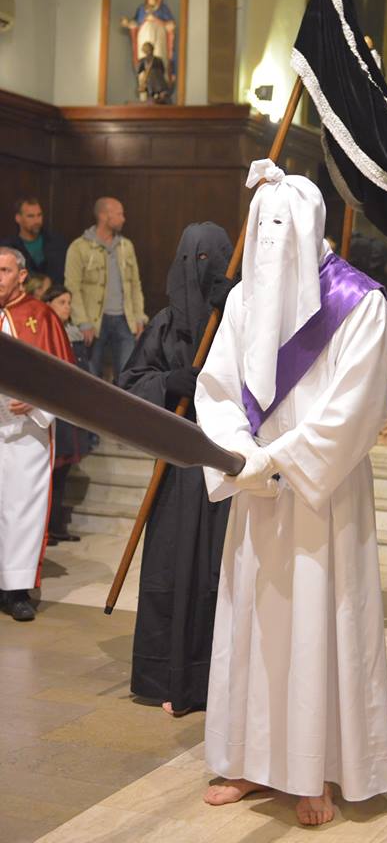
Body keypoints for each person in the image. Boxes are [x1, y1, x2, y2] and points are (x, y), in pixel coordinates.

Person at [195, 160, 387, 826]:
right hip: (257, 493)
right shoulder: (242, 302)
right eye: (260, 228)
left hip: (320, 496)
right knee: (253, 627)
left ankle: (317, 772)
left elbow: (353, 411)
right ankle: (250, 761)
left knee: (318, 628)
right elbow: (217, 390)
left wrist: (276, 461)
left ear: (310, 228)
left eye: (280, 228)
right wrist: (238, 454)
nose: (269, 242)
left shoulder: (360, 304)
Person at [118, 223, 233, 716]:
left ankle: (216, 680)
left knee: (219, 573)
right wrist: (169, 382)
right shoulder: (165, 325)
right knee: (171, 569)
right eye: (191, 260)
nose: (198, 271)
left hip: (229, 465)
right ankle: (164, 675)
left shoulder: (242, 317)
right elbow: (130, 384)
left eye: (210, 259)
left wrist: (237, 310)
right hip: (176, 470)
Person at [0, 247, 74, 621]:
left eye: (3, 270)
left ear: (22, 276)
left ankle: (16, 590)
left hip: (26, 432)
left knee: (22, 509)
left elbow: (64, 376)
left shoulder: (41, 316)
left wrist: (36, 402)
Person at [65, 197, 146, 381]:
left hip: (124, 320)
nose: (123, 219)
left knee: (127, 375)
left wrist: (139, 316)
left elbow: (135, 284)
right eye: (119, 214)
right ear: (104, 216)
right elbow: (73, 287)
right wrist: (83, 322)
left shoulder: (126, 246)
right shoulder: (79, 247)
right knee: (90, 375)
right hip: (94, 322)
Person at [43, 285, 91, 544]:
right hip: (52, 410)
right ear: (48, 304)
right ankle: (45, 529)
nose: (67, 307)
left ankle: (56, 526)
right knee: (50, 472)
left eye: (69, 302)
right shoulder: (43, 330)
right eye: (61, 302)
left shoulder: (73, 334)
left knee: (63, 472)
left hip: (71, 410)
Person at [0, 197, 67, 283]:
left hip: (53, 289)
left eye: (39, 215)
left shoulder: (56, 242)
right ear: (18, 218)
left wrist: (49, 283)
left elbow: (62, 272)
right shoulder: (8, 247)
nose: (36, 221)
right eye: (30, 216)